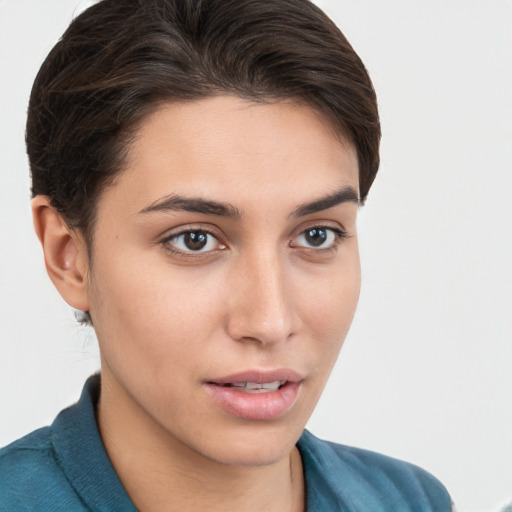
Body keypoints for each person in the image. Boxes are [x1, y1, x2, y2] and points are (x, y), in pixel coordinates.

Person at [0, 0, 453, 510]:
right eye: (194, 239)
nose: (270, 320)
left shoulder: (410, 500)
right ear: (69, 255)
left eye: (317, 235)